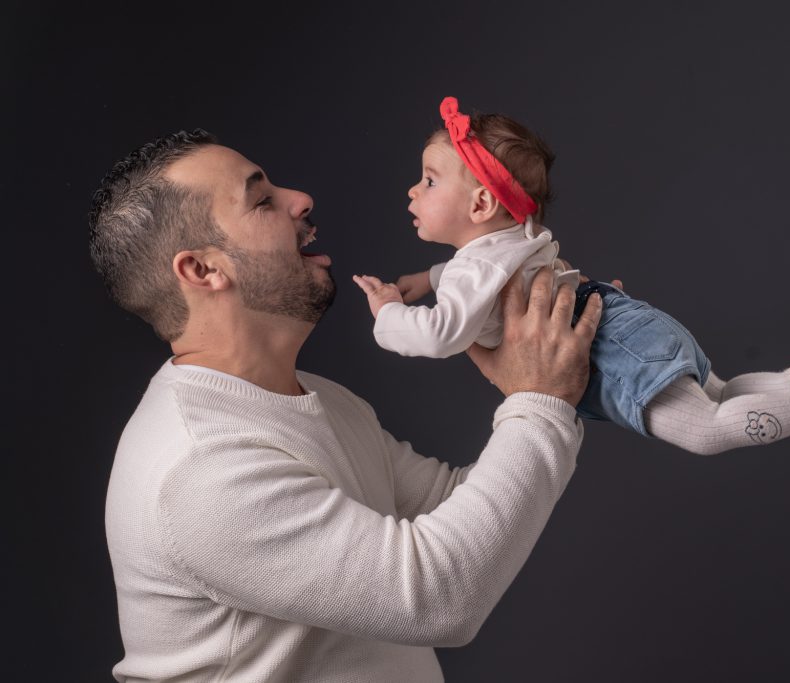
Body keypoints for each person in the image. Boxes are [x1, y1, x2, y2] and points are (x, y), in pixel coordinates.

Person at [90, 128, 602, 681]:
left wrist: (560, 376)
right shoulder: (199, 465)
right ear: (203, 271)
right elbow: (438, 595)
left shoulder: (320, 399)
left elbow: (457, 505)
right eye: (262, 200)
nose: (300, 199)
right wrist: (541, 400)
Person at [353, 97, 790, 456]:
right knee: (716, 392)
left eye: (428, 180)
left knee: (705, 431)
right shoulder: (513, 241)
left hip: (609, 352)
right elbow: (479, 273)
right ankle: (788, 381)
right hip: (627, 322)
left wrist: (389, 314)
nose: (412, 192)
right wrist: (428, 277)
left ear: (482, 202)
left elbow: (443, 332)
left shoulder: (477, 267)